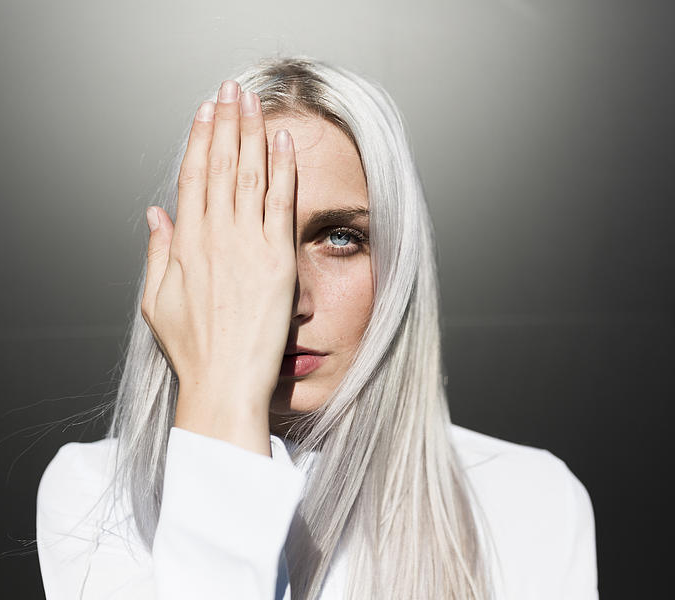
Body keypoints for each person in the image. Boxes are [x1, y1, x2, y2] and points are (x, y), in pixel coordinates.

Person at [35, 56, 599, 600]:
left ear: (400, 262)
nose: (290, 298)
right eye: (254, 237)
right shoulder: (96, 493)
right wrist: (222, 392)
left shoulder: (527, 500)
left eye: (339, 237)